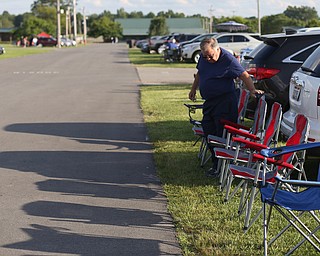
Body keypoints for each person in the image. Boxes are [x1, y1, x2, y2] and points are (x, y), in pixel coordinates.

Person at [188, 37, 263, 177]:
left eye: (210, 56)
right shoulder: (204, 59)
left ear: (218, 49)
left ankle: (220, 167)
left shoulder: (228, 60)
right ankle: (216, 163)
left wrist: (252, 90)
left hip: (225, 102)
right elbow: (200, 74)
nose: (208, 59)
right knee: (209, 130)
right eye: (205, 56)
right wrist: (193, 89)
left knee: (220, 134)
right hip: (210, 102)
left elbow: (245, 75)